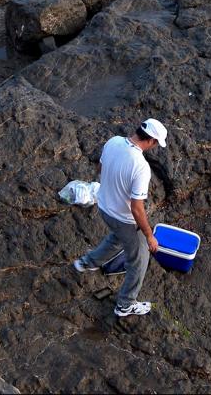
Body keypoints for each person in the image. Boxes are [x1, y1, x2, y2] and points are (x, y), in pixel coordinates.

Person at [73, 118, 167, 317]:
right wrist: (149, 235)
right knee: (139, 260)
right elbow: (137, 209)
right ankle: (125, 304)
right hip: (123, 219)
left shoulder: (113, 141)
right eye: (157, 143)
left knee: (116, 239)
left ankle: (86, 262)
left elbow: (100, 169)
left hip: (104, 207)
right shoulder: (141, 166)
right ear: (151, 141)